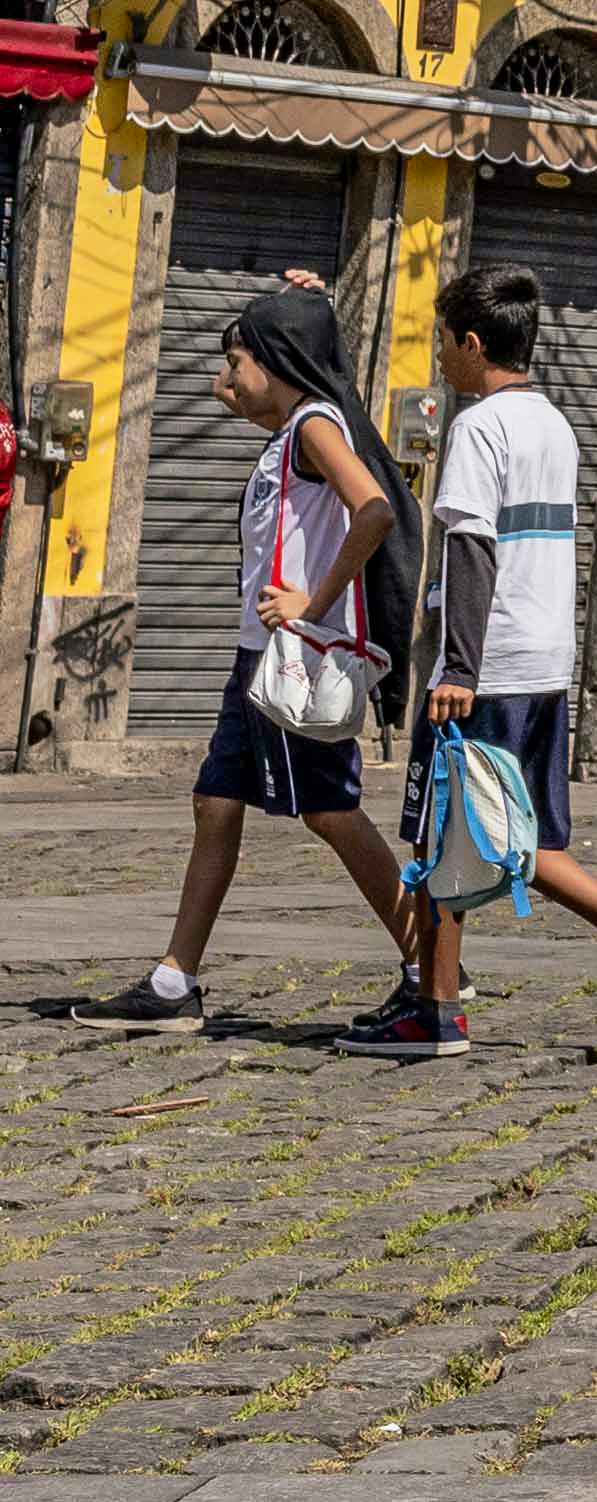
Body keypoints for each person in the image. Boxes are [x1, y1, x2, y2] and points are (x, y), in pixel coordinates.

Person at [346, 263, 597, 1059]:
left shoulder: (479, 426)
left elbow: (471, 546)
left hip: (487, 661)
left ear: (473, 342)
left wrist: (457, 667)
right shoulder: (556, 424)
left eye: (443, 342)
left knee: (444, 834)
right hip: (542, 659)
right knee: (515, 833)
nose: (440, 359)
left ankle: (438, 1011)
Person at [70, 287, 414, 1028]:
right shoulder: (287, 427)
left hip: (288, 661)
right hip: (252, 662)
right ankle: (173, 983)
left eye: (236, 359)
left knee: (330, 811)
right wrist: (271, 331)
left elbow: (376, 509)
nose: (223, 377)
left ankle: (431, 965)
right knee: (215, 801)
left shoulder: (314, 427)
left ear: (280, 360)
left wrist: (312, 603)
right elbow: (247, 398)